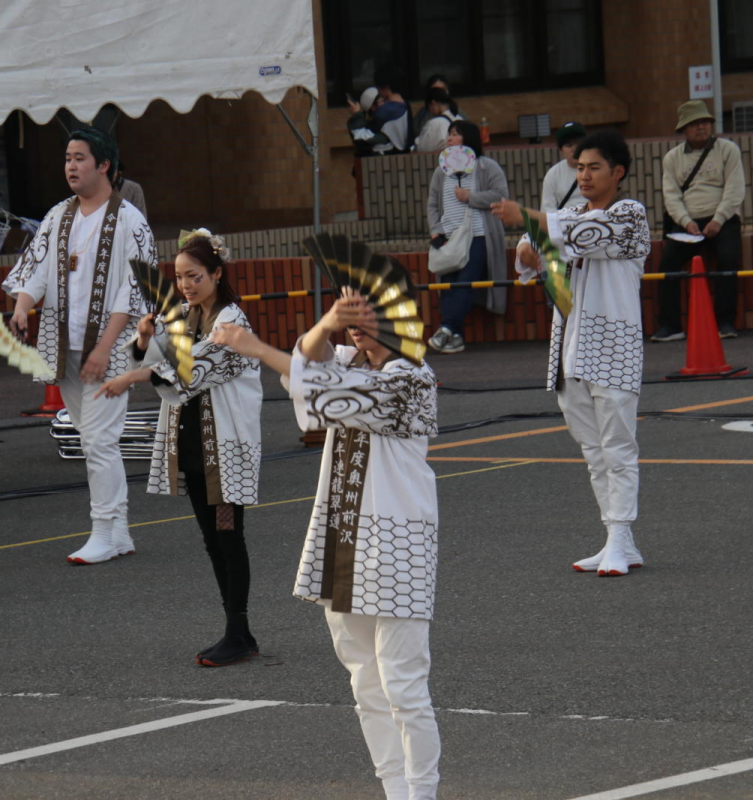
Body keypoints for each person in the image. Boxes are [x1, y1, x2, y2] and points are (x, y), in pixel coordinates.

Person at [213, 289, 442, 800]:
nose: (355, 328)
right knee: (364, 680)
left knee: (404, 684)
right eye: (352, 318)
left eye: (368, 317)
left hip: (399, 542)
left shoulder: (412, 377)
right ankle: (395, 789)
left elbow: (323, 389)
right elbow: (310, 358)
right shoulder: (346, 359)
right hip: (343, 537)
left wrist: (251, 345)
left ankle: (423, 794)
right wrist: (327, 322)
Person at [98, 230, 262, 667]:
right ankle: (238, 631)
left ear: (216, 274)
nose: (186, 285)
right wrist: (142, 338)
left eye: (194, 276)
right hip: (193, 444)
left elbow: (189, 371)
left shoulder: (232, 323)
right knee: (212, 539)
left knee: (229, 537)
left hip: (224, 449)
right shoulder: (185, 317)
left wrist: (132, 376)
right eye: (180, 277)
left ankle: (238, 630)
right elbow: (155, 362)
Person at [492, 130, 650, 577]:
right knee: (593, 449)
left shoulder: (629, 214)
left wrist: (529, 220)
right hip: (570, 347)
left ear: (618, 173)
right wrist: (533, 240)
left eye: (593, 167)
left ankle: (620, 536)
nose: (583, 175)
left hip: (614, 346)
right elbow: (528, 253)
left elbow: (582, 235)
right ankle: (618, 539)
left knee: (618, 446)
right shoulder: (569, 214)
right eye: (579, 167)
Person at [4, 128, 156, 565]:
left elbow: (137, 291)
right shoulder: (57, 216)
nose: (71, 166)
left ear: (104, 165)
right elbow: (34, 269)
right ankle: (119, 531)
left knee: (100, 440)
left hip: (111, 346)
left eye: (80, 158)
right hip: (64, 344)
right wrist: (22, 306)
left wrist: (106, 347)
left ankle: (103, 531)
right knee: (92, 437)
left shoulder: (130, 220)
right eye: (67, 158)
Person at [651, 100, 746, 342]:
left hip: (722, 220)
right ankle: (671, 326)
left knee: (728, 260)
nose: (701, 127)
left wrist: (718, 219)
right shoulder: (671, 158)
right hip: (687, 224)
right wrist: (685, 221)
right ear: (683, 129)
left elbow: (735, 190)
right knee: (667, 264)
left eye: (704, 122)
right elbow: (670, 196)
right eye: (694, 124)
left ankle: (725, 323)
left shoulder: (728, 150)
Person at [425, 119, 509, 354]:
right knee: (449, 285)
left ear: (468, 139)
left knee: (466, 282)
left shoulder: (487, 167)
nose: (449, 138)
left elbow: (502, 195)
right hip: (449, 238)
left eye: (455, 134)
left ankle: (446, 328)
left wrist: (470, 197)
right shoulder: (441, 172)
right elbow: (432, 204)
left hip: (479, 236)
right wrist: (435, 230)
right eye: (449, 134)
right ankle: (456, 337)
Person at [347, 83, 412, 156]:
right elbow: (360, 139)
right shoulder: (377, 125)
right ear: (373, 108)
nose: (387, 104)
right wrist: (357, 115)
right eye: (382, 101)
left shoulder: (391, 121)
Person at [541, 122, 588, 213]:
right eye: (569, 145)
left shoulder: (597, 169)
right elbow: (547, 210)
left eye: (578, 143)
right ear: (561, 150)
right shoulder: (553, 174)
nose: (574, 149)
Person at [412, 87, 462, 153]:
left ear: (433, 103)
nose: (431, 112)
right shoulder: (460, 119)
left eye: (429, 108)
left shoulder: (434, 123)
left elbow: (422, 148)